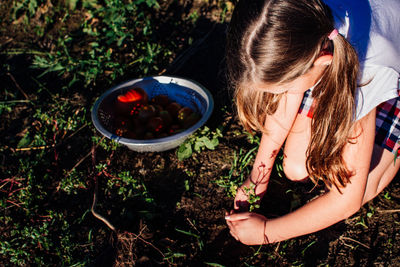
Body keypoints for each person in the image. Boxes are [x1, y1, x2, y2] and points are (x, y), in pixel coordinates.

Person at [224, 0, 400, 245]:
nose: (280, 95)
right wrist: (258, 177)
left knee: (365, 186)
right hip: (347, 61)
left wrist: (267, 232)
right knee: (296, 168)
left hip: (387, 77)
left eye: (283, 88)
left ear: (322, 59)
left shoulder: (365, 70)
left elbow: (346, 200)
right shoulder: (298, 18)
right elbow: (292, 94)